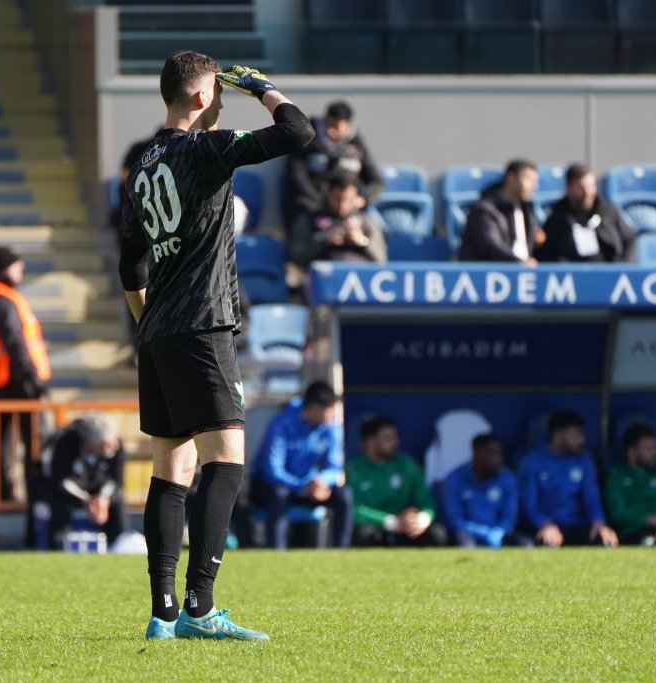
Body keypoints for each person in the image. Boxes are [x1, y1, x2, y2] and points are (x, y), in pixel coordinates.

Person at [118, 53, 313, 641]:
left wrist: (149, 323)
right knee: (226, 462)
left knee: (170, 468)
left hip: (157, 330)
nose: (223, 102)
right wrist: (262, 88)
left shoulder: (140, 167)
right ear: (202, 97)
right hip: (203, 326)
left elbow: (130, 264)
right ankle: (201, 608)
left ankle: (163, 613)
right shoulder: (206, 149)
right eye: (219, 94)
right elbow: (297, 132)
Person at [0, 246, 51, 502]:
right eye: (16, 265)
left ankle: (3, 496)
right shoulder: (1, 298)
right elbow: (15, 342)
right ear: (3, 268)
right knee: (34, 441)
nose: (21, 269)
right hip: (18, 379)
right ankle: (36, 498)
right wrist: (32, 378)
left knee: (1, 441)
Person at [250, 381, 353, 549]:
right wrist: (303, 486)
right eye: (329, 411)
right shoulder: (281, 423)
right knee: (279, 493)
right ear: (314, 408)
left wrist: (321, 481)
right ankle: (276, 553)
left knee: (344, 495)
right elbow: (273, 470)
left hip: (310, 486)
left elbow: (334, 467)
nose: (332, 415)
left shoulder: (331, 427)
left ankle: (341, 551)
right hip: (273, 486)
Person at [518, 411, 618, 547]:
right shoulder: (532, 462)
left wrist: (598, 522)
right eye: (576, 435)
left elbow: (591, 497)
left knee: (605, 540)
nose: (582, 440)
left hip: (578, 526)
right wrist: (545, 525)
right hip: (546, 526)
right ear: (558, 435)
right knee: (546, 541)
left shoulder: (584, 460)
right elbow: (529, 504)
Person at [345, 416, 448, 547]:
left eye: (395, 437)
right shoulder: (352, 470)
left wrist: (421, 519)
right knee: (363, 535)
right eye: (388, 438)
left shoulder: (407, 465)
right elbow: (354, 510)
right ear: (370, 442)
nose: (395, 443)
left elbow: (427, 501)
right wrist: (390, 521)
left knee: (437, 534)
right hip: (377, 528)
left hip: (406, 527)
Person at [285, 100, 384, 229]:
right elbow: (297, 177)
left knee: (372, 230)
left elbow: (376, 182)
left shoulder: (357, 146)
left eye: (336, 127)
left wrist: (362, 199)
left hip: (349, 212)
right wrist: (322, 206)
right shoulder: (306, 140)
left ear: (348, 126)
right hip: (312, 209)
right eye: (328, 124)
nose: (330, 131)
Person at [48, 413, 128, 547]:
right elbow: (61, 480)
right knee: (56, 505)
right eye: (106, 444)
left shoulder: (118, 446)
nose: (113, 446)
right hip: (72, 492)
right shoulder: (66, 442)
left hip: (101, 490)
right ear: (89, 444)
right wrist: (84, 499)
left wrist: (104, 498)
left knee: (118, 504)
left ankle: (118, 544)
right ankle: (56, 546)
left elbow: (117, 481)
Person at [441, 433, 529, 548]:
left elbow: (509, 516)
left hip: (499, 533)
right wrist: (483, 533)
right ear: (478, 453)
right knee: (465, 544)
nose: (499, 459)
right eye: (493, 454)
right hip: (468, 533)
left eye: (499, 454)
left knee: (525, 544)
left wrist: (498, 532)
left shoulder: (507, 478)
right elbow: (454, 519)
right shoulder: (455, 479)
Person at [603, 423, 656, 545]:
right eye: (648, 449)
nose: (655, 453)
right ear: (631, 452)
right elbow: (617, 513)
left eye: (655, 448)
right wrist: (650, 520)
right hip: (632, 534)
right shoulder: (616, 477)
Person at [536, 164, 636, 263]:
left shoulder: (608, 212)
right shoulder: (557, 217)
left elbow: (629, 240)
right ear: (568, 189)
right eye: (581, 187)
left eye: (591, 186)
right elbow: (547, 253)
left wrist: (622, 267)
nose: (587, 192)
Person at [288, 172, 387, 268]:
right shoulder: (311, 218)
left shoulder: (365, 220)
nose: (342, 205)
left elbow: (382, 259)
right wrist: (323, 240)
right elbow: (294, 255)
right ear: (329, 195)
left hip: (359, 277)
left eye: (347, 199)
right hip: (324, 277)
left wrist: (362, 241)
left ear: (355, 196)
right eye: (338, 199)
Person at [458, 159, 544, 264]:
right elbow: (490, 246)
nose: (534, 187)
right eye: (529, 180)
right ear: (511, 178)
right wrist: (520, 262)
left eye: (535, 182)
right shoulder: (484, 210)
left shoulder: (526, 209)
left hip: (522, 274)